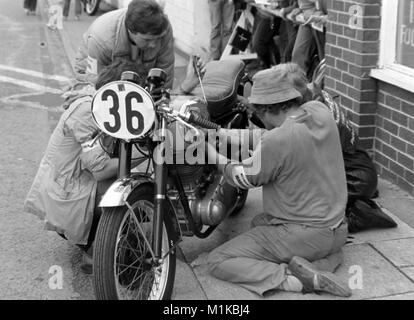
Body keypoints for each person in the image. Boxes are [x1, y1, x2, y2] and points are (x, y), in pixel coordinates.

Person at [24, 56, 205, 273]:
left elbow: (152, 109)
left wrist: (185, 86)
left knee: (135, 171)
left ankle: (108, 241)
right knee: (132, 185)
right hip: (68, 199)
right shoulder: (87, 111)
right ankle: (97, 251)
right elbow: (99, 169)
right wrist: (152, 153)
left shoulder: (103, 104)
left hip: (74, 189)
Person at [204, 65, 352, 297]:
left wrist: (213, 156)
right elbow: (275, 137)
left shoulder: (277, 140)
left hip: (305, 235)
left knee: (217, 260)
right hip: (337, 228)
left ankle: (293, 280)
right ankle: (326, 261)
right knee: (261, 221)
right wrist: (225, 134)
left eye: (258, 113)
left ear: (264, 110)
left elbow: (243, 177)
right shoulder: (318, 111)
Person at [280, 62, 397, 233]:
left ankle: (356, 216)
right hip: (360, 172)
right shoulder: (317, 94)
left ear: (294, 92)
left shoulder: (310, 113)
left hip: (354, 180)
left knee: (303, 208)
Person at [74, 0, 175, 89]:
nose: (154, 45)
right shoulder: (101, 39)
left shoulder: (163, 28)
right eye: (147, 40)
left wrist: (162, 100)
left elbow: (165, 70)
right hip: (96, 72)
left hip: (139, 70)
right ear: (131, 30)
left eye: (157, 39)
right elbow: (94, 83)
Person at [291, 0, 327, 76]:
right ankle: (297, 85)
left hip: (327, 19)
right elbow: (306, 6)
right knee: (298, 55)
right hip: (312, 19)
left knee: (324, 61)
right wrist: (309, 12)